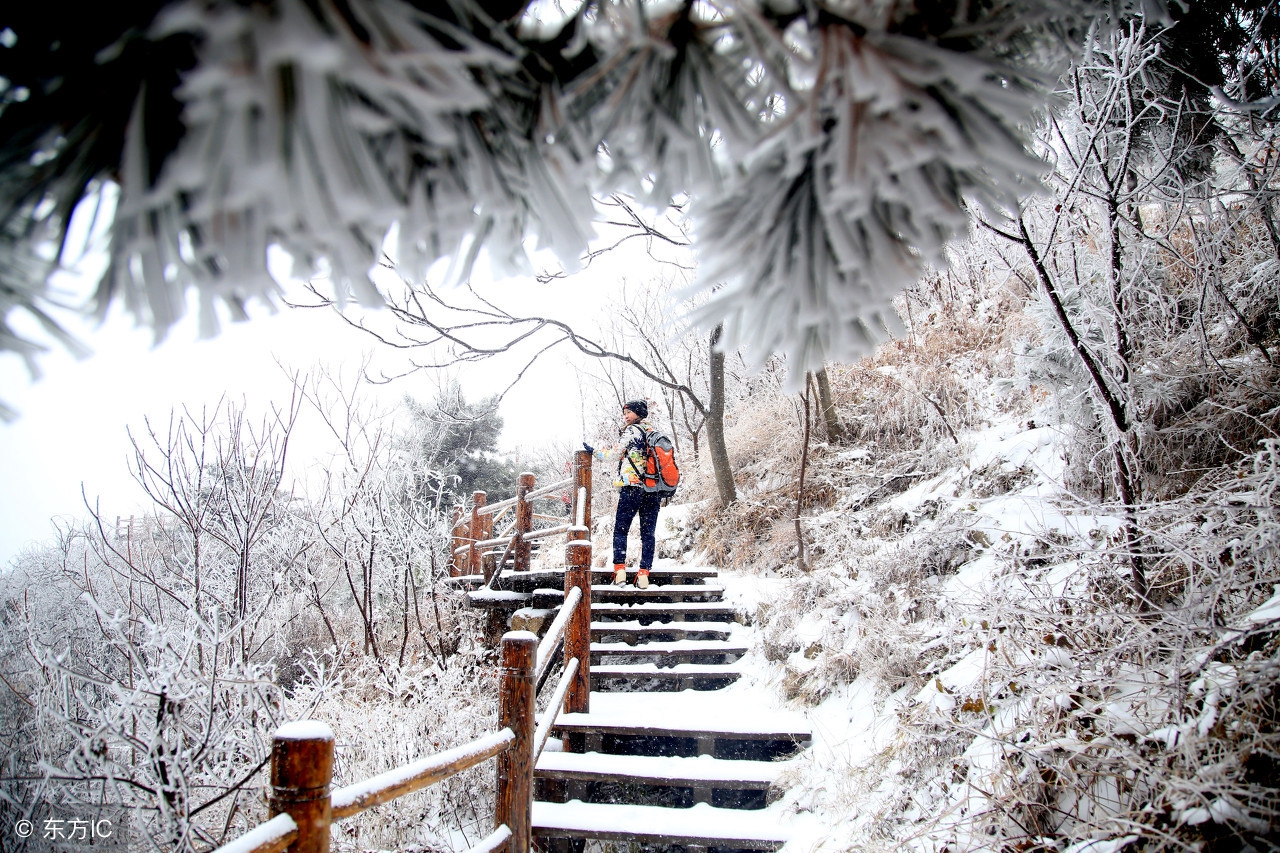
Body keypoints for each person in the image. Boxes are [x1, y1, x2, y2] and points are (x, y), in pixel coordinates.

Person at [587, 400, 660, 589]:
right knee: (648, 533)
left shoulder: (631, 431)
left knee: (621, 530)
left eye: (629, 412)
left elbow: (613, 455)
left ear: (638, 413)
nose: (626, 416)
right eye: (624, 413)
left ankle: (620, 571)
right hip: (652, 490)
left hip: (632, 488)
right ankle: (644, 574)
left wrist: (594, 451)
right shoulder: (653, 433)